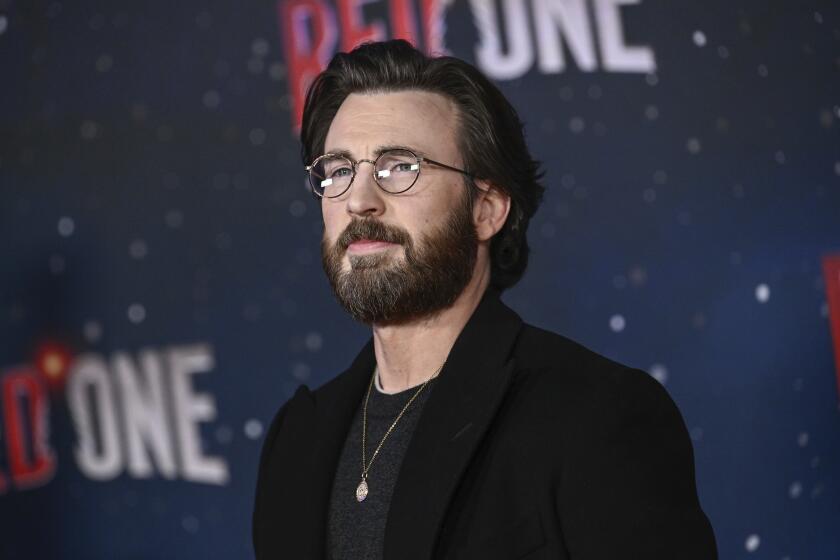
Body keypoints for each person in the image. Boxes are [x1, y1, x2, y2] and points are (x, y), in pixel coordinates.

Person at [252, 39, 718, 559]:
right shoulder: (298, 439)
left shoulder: (594, 416)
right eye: (340, 171)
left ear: (487, 209)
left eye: (399, 166)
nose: (360, 199)